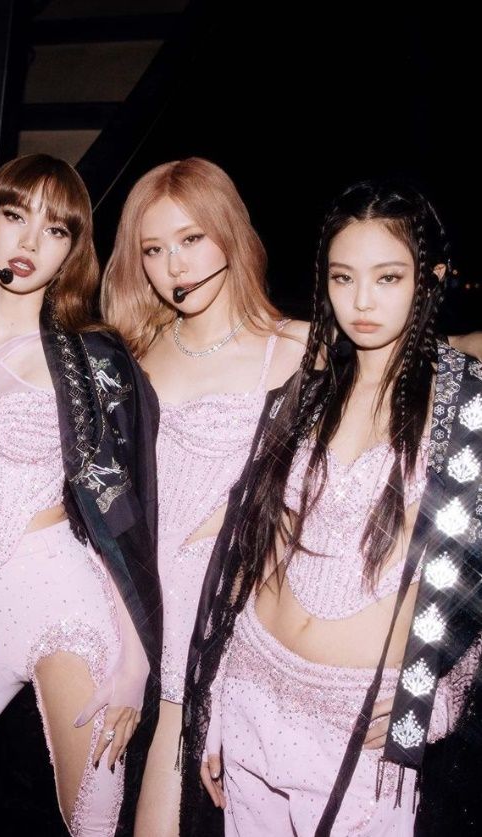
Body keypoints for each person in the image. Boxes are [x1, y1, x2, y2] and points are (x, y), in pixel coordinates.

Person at [181, 179, 482, 835]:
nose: (362, 301)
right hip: (255, 688)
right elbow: (263, 549)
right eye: (343, 277)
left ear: (430, 279)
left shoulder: (468, 407)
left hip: (361, 724)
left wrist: (434, 698)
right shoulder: (309, 391)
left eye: (387, 277)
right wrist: (219, 689)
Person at [0, 154, 161, 837]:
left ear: (71, 252)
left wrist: (137, 660)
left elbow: (123, 512)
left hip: (59, 598)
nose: (30, 241)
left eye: (55, 229)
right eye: (15, 215)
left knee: (93, 815)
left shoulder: (93, 359)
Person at [101, 157, 307, 836]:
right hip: (139, 606)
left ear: (230, 234)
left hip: (239, 607)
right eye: (153, 249)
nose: (174, 266)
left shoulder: (298, 348)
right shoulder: (131, 357)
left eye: (191, 239)